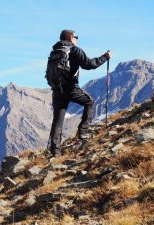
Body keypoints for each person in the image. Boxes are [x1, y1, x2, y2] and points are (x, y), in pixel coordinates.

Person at [48, 29, 112, 157]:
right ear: (71, 38)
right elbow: (89, 64)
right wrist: (105, 57)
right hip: (70, 87)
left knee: (58, 118)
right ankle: (83, 132)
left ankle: (55, 151)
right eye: (76, 36)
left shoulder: (55, 51)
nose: (77, 39)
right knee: (89, 102)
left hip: (57, 89)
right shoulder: (75, 50)